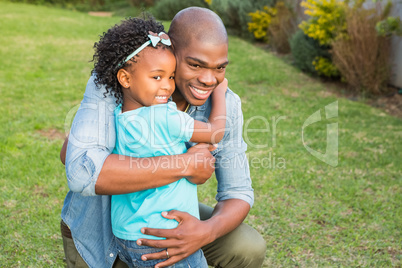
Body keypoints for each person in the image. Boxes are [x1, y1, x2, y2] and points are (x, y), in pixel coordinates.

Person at [61, 7, 266, 268]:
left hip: (159, 218)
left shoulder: (224, 103)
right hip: (100, 232)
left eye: (220, 68)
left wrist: (206, 231)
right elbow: (79, 167)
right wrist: (185, 164)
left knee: (247, 247)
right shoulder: (119, 78)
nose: (208, 79)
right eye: (195, 64)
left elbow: (238, 192)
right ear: (169, 50)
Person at [91, 16, 228, 268]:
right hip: (166, 234)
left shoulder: (117, 115)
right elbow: (215, 132)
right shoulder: (165, 116)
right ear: (125, 78)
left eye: (171, 77)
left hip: (127, 234)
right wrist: (220, 94)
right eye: (157, 77)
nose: (166, 87)